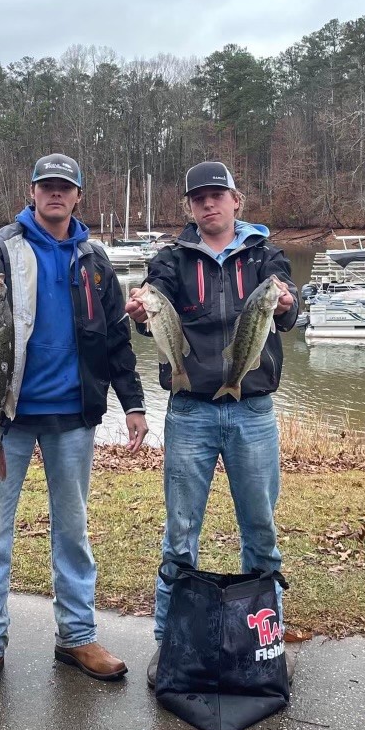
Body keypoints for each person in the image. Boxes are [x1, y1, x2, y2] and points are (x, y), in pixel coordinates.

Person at [0, 153, 148, 700]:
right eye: (46, 187)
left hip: (72, 417)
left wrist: (133, 403)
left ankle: (77, 637)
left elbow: (115, 338)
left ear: (78, 195)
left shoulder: (95, 258)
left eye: (65, 187)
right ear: (32, 192)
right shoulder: (1, 247)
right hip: (5, 415)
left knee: (73, 532)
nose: (55, 195)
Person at [125, 160, 298, 687]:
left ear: (236, 200)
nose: (208, 204)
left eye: (217, 195)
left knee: (261, 531)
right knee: (180, 534)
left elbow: (289, 314)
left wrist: (289, 301)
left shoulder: (266, 255)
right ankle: (169, 643)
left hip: (253, 412)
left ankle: (269, 643)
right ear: (190, 207)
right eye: (198, 198)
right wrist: (139, 311)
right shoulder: (170, 261)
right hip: (190, 411)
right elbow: (150, 314)